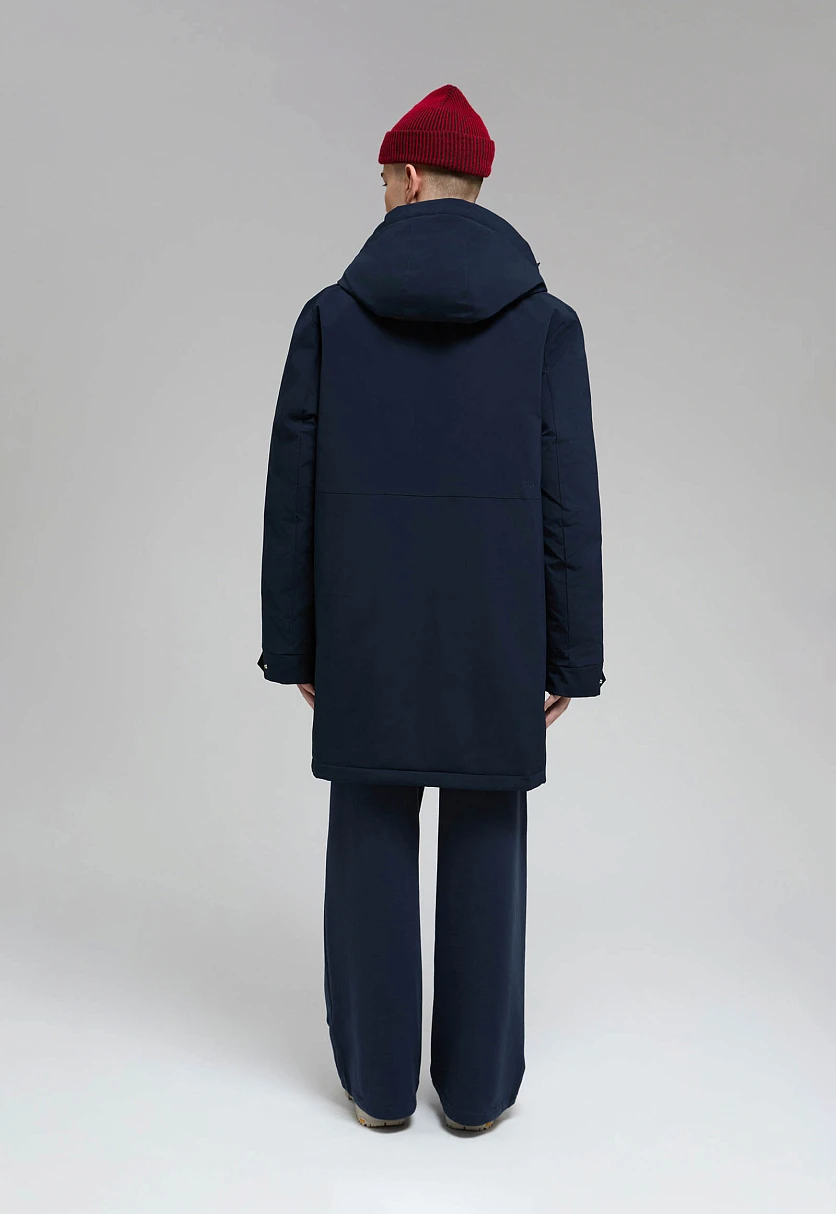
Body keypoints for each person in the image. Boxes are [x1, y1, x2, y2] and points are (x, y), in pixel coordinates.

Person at [257, 83, 605, 1131]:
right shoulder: (546, 325)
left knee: (369, 825)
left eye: (381, 180)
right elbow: (568, 498)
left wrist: (295, 645)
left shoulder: (329, 318)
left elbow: (291, 495)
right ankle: (477, 1093)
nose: (380, 196)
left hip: (364, 623)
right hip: (497, 625)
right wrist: (569, 654)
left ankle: (375, 1089)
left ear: (409, 179)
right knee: (487, 827)